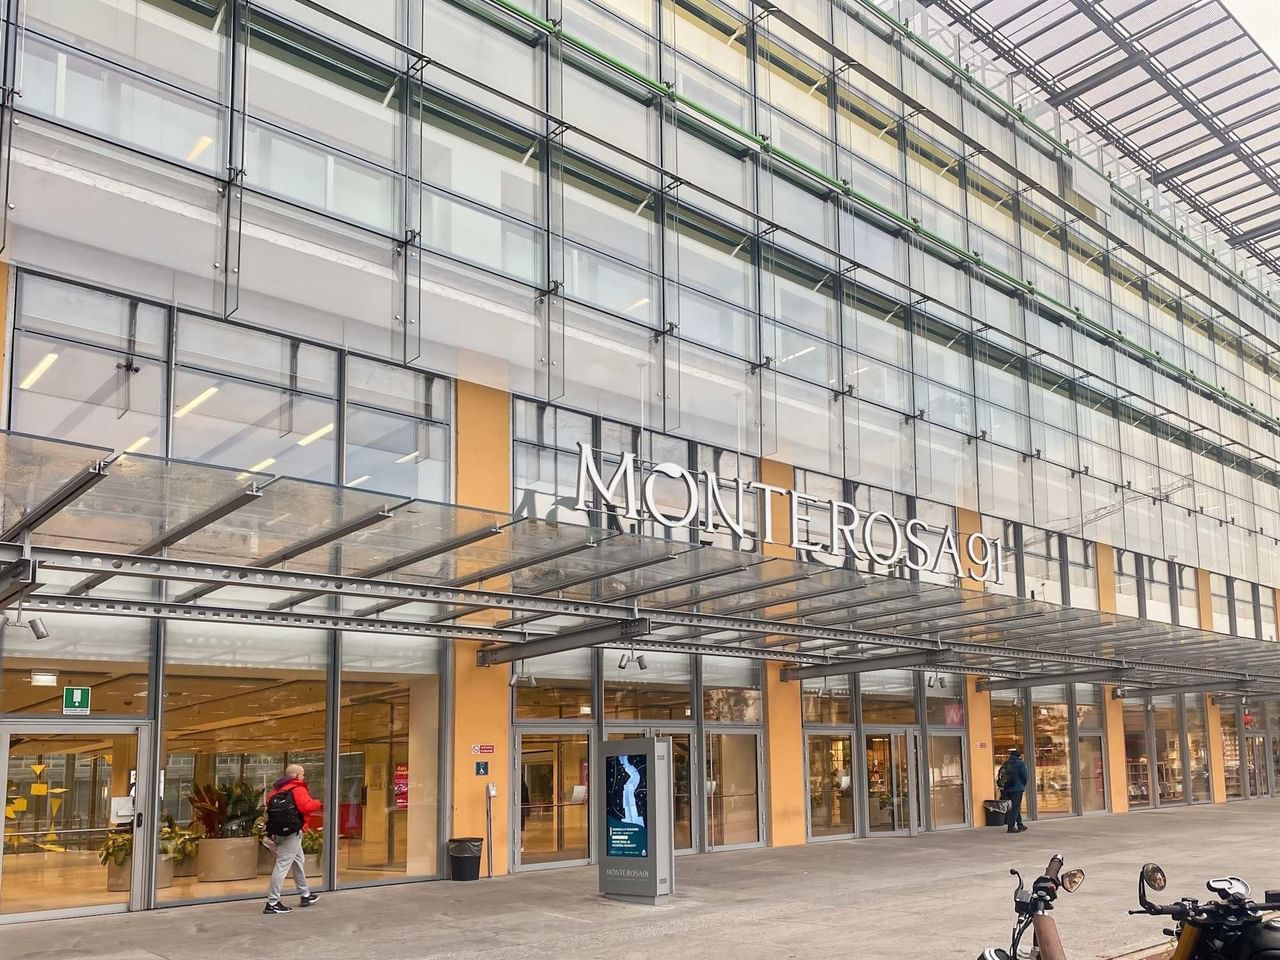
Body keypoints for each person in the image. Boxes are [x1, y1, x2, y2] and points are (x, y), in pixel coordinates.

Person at [263, 763, 323, 914]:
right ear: (297, 776)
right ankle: (272, 902)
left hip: (279, 831)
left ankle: (305, 894)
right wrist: (318, 803)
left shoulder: (276, 789)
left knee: (297, 861)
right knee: (282, 865)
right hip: (292, 832)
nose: (304, 777)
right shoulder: (298, 788)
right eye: (302, 774)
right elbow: (306, 807)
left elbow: (268, 809)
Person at [997, 748, 1029, 834]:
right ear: (1019, 756)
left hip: (1007, 788)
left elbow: (1000, 775)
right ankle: (1011, 827)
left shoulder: (1006, 763)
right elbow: (1024, 776)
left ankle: (1020, 824)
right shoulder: (1020, 764)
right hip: (1017, 789)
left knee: (1014, 807)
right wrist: (1023, 785)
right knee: (1015, 808)